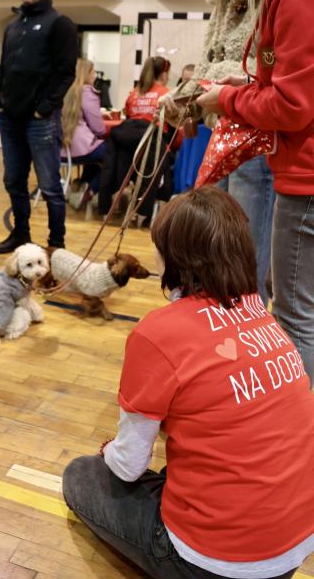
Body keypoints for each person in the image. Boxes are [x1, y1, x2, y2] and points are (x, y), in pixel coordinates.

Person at [63, 186, 314, 579]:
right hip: (293, 546)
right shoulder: (268, 321)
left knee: (82, 474)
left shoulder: (158, 332)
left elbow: (128, 465)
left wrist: (109, 450)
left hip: (215, 560)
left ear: (173, 258)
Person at [196, 0, 314, 385]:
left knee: (294, 315)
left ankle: (289, 431)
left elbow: (292, 105)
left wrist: (230, 100)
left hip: (303, 178)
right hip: (292, 168)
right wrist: (246, 89)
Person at [161, 0, 275, 306]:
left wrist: (226, 88)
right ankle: (216, 324)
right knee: (213, 240)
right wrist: (180, 101)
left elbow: (279, 73)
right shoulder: (223, 2)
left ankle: (245, 327)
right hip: (223, 132)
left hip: (257, 140)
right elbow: (209, 70)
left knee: (245, 251)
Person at [0, 0, 78, 254]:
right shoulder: (13, 25)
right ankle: (21, 235)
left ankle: (56, 247)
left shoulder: (60, 24)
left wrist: (44, 108)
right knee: (13, 182)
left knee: (50, 187)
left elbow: (66, 73)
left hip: (40, 121)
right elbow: (3, 69)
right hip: (10, 119)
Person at [98, 56, 173, 220]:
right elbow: (172, 119)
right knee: (166, 159)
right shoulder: (166, 93)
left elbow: (128, 113)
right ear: (164, 74)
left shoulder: (135, 92)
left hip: (126, 140)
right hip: (150, 139)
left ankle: (113, 201)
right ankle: (142, 211)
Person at [61, 58, 106, 206]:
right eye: (93, 72)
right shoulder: (87, 93)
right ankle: (90, 188)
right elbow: (99, 129)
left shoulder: (65, 90)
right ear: (86, 74)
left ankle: (80, 183)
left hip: (62, 151)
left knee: (98, 152)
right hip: (81, 149)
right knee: (113, 155)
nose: (94, 75)